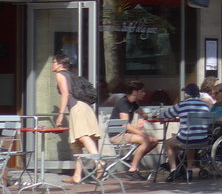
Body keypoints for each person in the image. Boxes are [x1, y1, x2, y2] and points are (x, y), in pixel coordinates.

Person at [52, 54, 102, 185]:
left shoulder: (60, 75)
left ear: (59, 64)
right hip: (84, 106)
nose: (52, 65)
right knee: (77, 145)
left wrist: (61, 114)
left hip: (77, 109)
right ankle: (77, 176)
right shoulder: (71, 74)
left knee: (82, 137)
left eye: (53, 62)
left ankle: (98, 161)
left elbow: (66, 94)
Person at [108, 79, 159, 179]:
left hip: (125, 134)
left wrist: (142, 117)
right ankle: (132, 170)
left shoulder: (133, 102)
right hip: (117, 135)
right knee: (145, 140)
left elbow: (143, 114)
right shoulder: (123, 103)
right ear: (135, 92)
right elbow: (125, 125)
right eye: (142, 91)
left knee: (154, 141)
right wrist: (141, 133)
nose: (144, 94)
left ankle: (133, 162)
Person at [160, 84, 213, 180]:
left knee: (168, 142)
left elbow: (166, 114)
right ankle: (188, 170)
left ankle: (173, 170)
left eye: (185, 92)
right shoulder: (205, 105)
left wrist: (161, 114)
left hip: (186, 139)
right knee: (191, 142)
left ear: (187, 94)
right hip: (203, 139)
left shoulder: (182, 104)